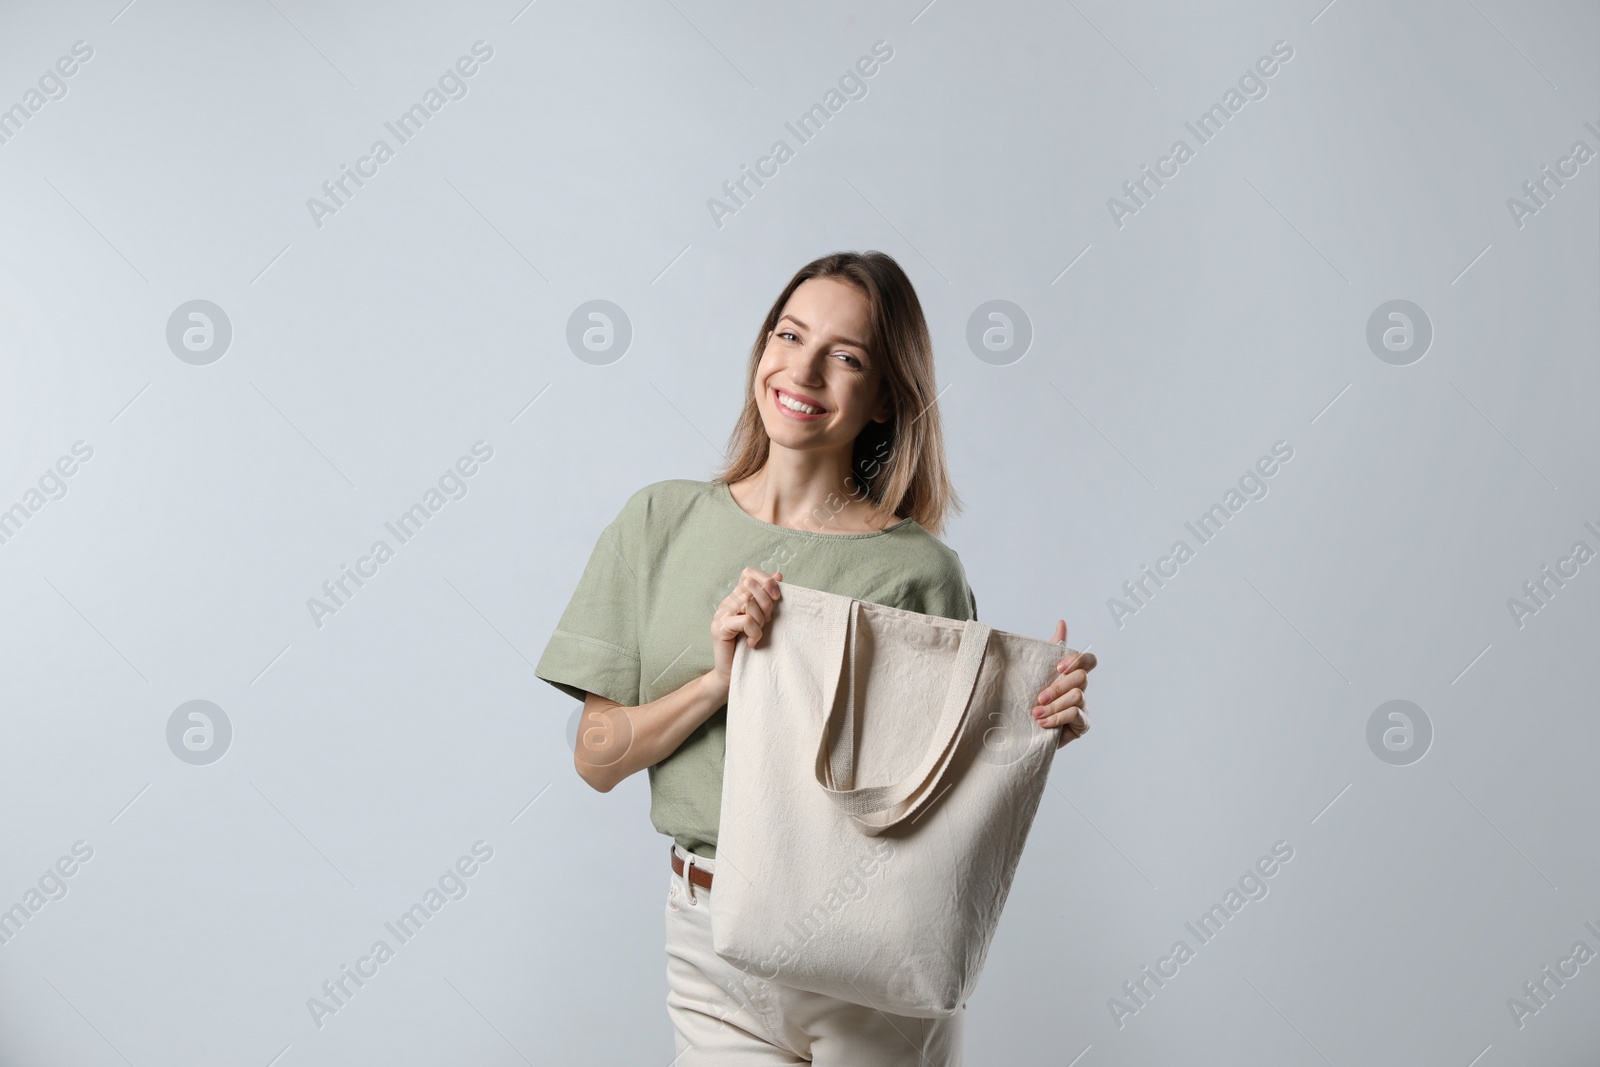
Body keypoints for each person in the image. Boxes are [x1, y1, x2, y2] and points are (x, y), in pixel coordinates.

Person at [534, 250, 1096, 1065]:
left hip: (868, 948)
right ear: (763, 347)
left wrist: (1031, 725)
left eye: (846, 356)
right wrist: (718, 682)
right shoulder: (659, 522)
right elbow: (597, 757)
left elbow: (939, 787)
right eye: (789, 334)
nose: (803, 368)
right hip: (710, 942)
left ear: (883, 399)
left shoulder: (916, 570)